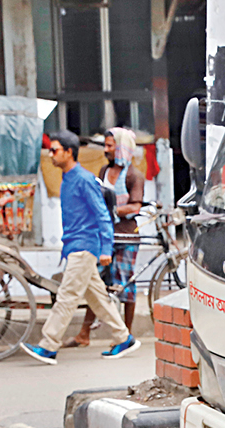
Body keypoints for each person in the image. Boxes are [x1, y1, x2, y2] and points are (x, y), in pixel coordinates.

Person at [20, 131, 137, 365]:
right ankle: (124, 338)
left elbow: (102, 215)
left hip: (85, 247)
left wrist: (106, 248)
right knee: (97, 298)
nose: (51, 155)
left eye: (55, 150)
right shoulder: (67, 178)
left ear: (69, 152)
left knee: (67, 296)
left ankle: (48, 345)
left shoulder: (83, 179)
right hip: (76, 245)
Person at [74, 127, 144, 346]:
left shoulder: (133, 175)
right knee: (96, 283)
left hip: (126, 236)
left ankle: (127, 334)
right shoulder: (104, 170)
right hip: (105, 235)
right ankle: (84, 333)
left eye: (110, 146)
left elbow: (135, 206)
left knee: (125, 285)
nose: (106, 150)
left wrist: (110, 211)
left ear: (121, 148)